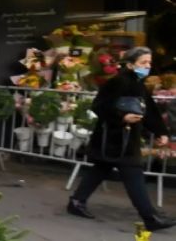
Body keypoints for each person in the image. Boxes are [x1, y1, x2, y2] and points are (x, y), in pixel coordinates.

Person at [68, 46, 175, 232]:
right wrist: (121, 117)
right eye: (143, 63)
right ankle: (149, 217)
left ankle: (77, 201)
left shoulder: (137, 83)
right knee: (133, 174)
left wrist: (160, 132)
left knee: (101, 168)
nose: (148, 66)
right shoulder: (118, 82)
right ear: (131, 64)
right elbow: (99, 106)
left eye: (149, 63)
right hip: (115, 137)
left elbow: (148, 111)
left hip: (123, 138)